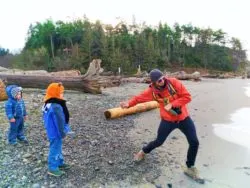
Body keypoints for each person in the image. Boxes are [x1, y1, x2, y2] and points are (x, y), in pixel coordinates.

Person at [120, 69, 200, 178]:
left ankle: (190, 167)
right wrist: (128, 103)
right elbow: (139, 98)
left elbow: (187, 97)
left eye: (162, 78)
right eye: (158, 80)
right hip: (167, 121)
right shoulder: (152, 91)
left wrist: (172, 104)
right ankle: (143, 151)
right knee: (158, 142)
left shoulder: (174, 82)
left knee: (194, 142)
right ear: (153, 83)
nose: (162, 81)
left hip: (183, 118)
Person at [42, 82, 71, 177]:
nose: (62, 94)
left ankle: (59, 162)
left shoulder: (48, 103)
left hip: (51, 130)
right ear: (55, 93)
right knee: (55, 148)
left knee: (57, 147)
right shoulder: (56, 106)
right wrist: (63, 132)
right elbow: (59, 121)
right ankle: (53, 168)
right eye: (61, 92)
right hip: (56, 132)